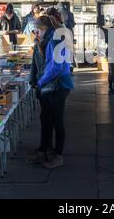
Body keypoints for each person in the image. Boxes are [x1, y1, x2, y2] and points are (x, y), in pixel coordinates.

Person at [28, 15, 74, 169]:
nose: (36, 32)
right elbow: (35, 62)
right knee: (46, 118)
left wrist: (40, 82)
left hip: (58, 85)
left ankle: (58, 154)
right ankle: (44, 150)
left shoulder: (56, 40)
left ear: (44, 28)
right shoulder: (41, 41)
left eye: (37, 29)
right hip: (47, 85)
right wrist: (33, 80)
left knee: (57, 120)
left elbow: (56, 67)